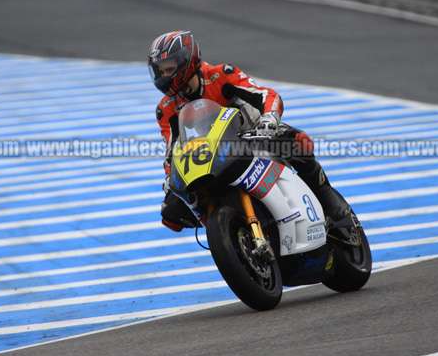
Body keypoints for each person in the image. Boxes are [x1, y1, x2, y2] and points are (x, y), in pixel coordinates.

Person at [148, 30, 359, 244]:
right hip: (212, 157)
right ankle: (231, 236)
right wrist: (170, 177)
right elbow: (172, 150)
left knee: (300, 143)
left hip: (255, 134)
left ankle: (335, 210)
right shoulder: (165, 109)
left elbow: (265, 94)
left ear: (187, 60)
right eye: (160, 71)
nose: (164, 76)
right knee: (171, 211)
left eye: (169, 69)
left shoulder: (220, 74)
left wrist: (269, 118)